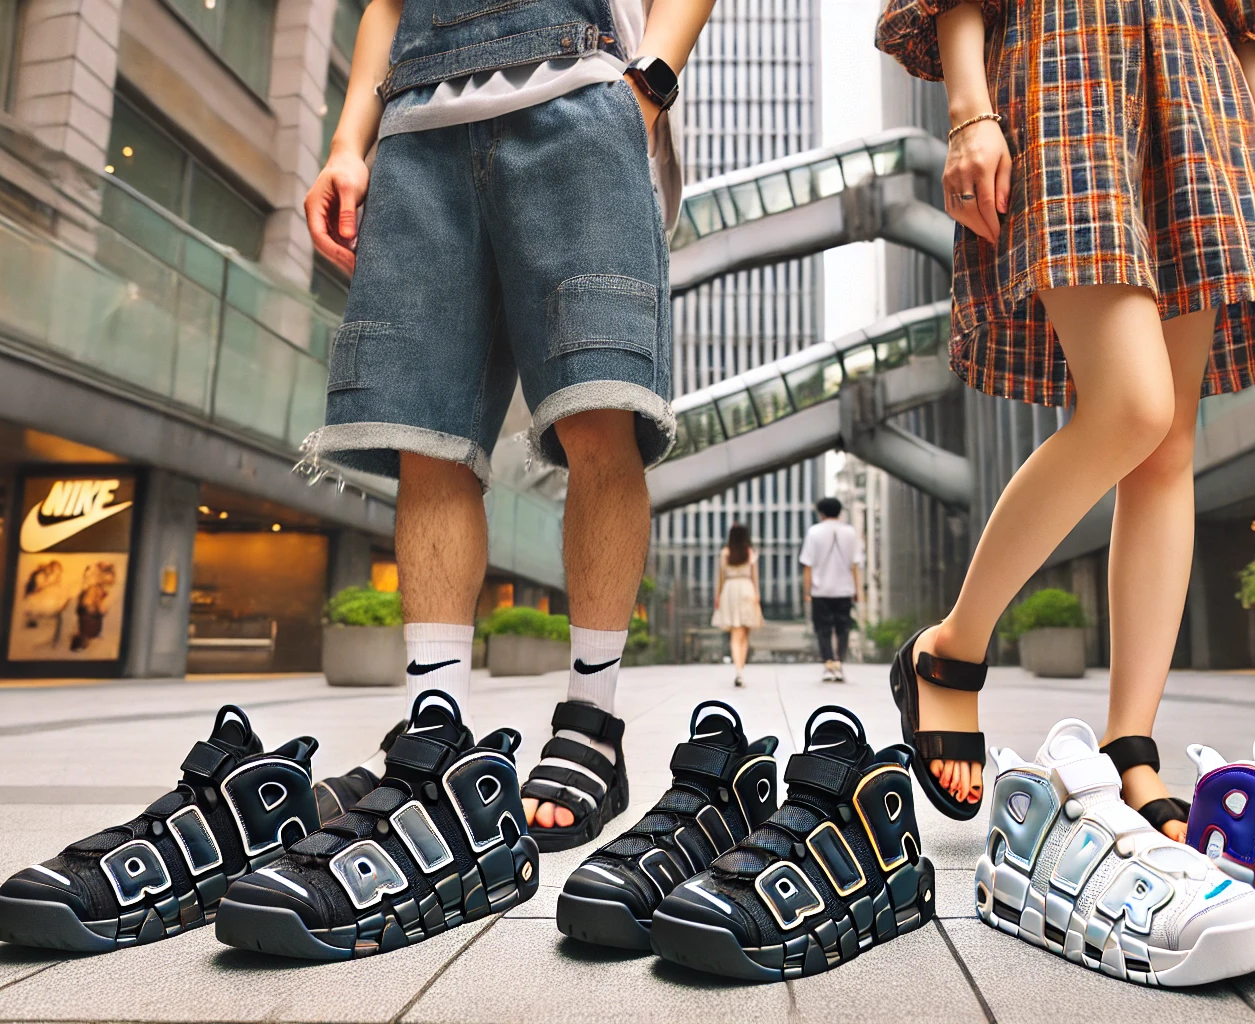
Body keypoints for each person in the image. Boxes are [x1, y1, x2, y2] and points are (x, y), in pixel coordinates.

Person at [875, 0, 1255, 832]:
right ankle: (952, 647)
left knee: (1166, 447)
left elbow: (1248, 21)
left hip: (1199, 95)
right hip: (1062, 75)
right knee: (1133, 408)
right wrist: (971, 110)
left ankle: (1131, 749)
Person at [300, 0, 720, 852]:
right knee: (429, 444)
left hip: (578, 96)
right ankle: (437, 729)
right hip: (415, 128)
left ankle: (592, 724)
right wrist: (349, 143)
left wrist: (649, 87)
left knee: (599, 418)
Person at [799, 497, 864, 682]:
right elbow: (855, 565)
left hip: (821, 590)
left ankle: (828, 664)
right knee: (843, 627)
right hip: (845, 589)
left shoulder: (814, 532)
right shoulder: (850, 532)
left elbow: (808, 565)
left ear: (822, 513)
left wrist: (807, 591)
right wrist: (858, 591)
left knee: (823, 628)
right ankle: (839, 663)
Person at [711, 523, 763, 686]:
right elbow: (755, 577)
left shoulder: (725, 553)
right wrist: (757, 595)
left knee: (735, 633)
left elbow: (720, 577)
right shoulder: (749, 553)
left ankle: (738, 670)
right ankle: (741, 669)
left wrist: (718, 595)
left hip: (730, 591)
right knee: (744, 633)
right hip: (747, 589)